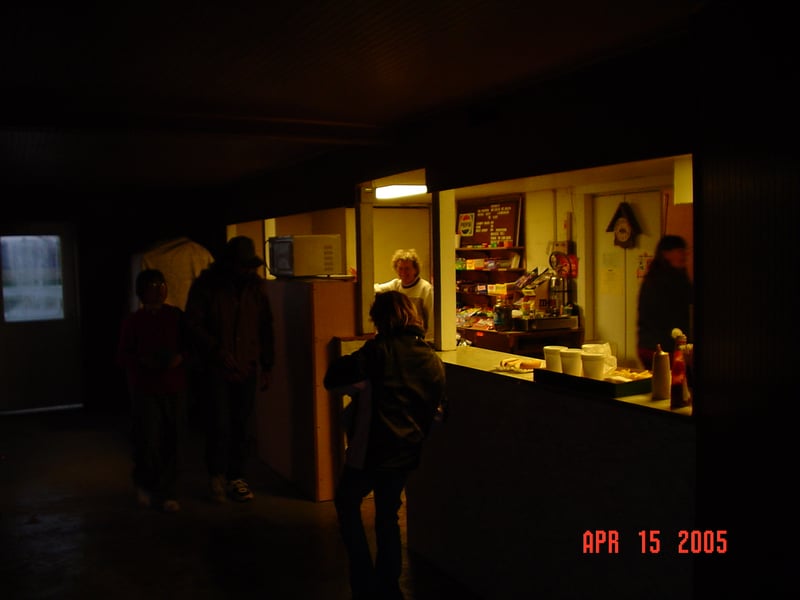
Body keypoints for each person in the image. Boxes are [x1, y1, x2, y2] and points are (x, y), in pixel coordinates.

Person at [324, 291, 446, 599]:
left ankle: (363, 578)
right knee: (387, 514)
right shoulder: (431, 357)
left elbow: (333, 377)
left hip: (370, 449)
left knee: (347, 503)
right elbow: (438, 408)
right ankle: (388, 584)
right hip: (406, 451)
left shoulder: (379, 351)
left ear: (381, 319)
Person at [184, 236, 275, 503]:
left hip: (245, 366)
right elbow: (193, 324)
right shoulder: (207, 287)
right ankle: (217, 474)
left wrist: (267, 363)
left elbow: (265, 326)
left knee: (240, 425)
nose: (247, 271)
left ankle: (235, 476)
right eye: (242, 266)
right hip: (215, 369)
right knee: (219, 423)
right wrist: (217, 351)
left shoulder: (255, 289)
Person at [116, 268, 188, 513]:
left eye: (161, 285)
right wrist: (142, 362)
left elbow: (191, 346)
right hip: (146, 388)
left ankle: (169, 491)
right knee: (148, 439)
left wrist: (180, 358)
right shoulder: (134, 321)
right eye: (152, 286)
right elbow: (124, 355)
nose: (158, 290)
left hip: (174, 387)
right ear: (141, 292)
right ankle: (146, 484)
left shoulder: (176, 316)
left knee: (173, 440)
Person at [636, 234, 693, 370]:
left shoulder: (673, 276)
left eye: (685, 251)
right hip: (659, 346)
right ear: (666, 254)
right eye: (679, 251)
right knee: (669, 386)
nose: (684, 255)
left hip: (654, 344)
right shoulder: (662, 280)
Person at [373, 249, 434, 343]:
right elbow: (374, 289)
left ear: (415, 269)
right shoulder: (395, 285)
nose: (403, 272)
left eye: (407, 268)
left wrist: (430, 341)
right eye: (400, 268)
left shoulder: (426, 289)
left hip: (418, 340)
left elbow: (432, 318)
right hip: (399, 339)